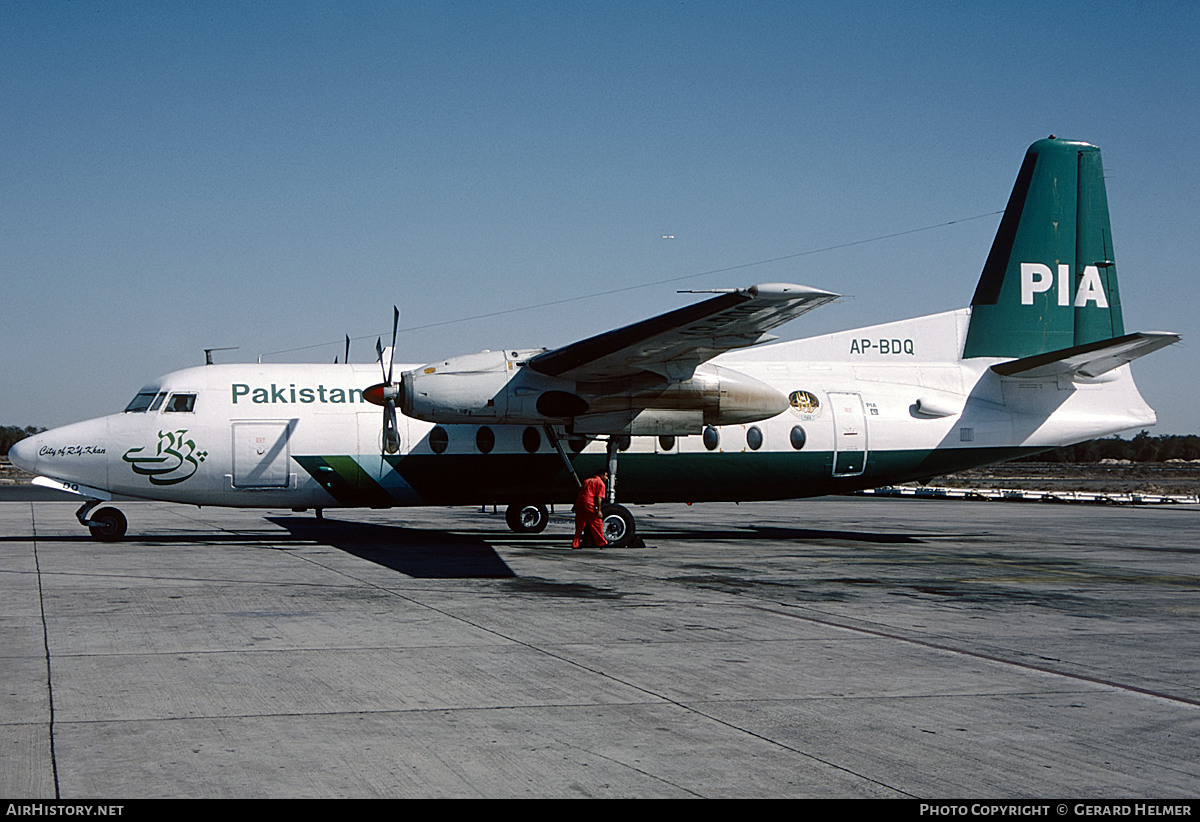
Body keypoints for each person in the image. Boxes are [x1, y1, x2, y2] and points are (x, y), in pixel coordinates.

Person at [572, 469, 608, 548]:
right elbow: (599, 498)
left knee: (579, 525)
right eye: (606, 475)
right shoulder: (600, 483)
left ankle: (575, 543)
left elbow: (580, 493)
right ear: (601, 475)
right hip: (589, 504)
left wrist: (575, 505)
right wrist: (599, 510)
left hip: (580, 504)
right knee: (596, 523)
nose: (606, 478)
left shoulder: (586, 481)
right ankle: (601, 542)